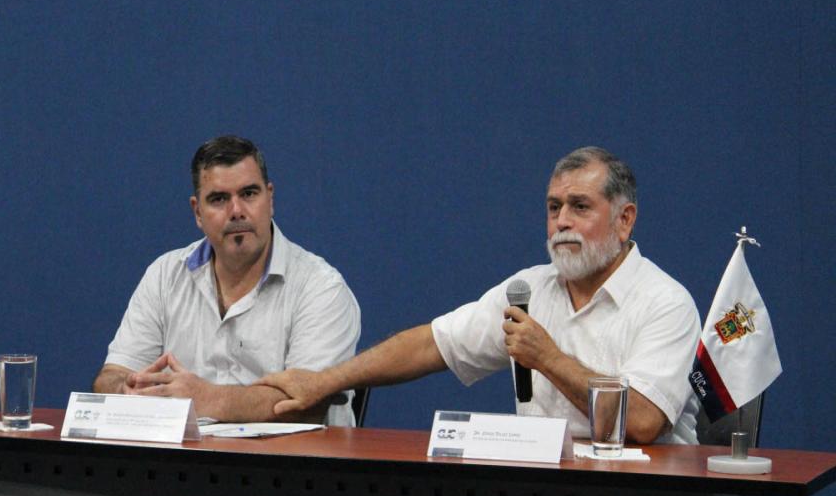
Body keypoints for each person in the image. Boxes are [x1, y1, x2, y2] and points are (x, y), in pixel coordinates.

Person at [259, 147, 700, 443]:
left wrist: (547, 357)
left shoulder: (664, 302)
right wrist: (326, 381)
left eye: (579, 207)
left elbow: (640, 420)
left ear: (625, 220)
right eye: (553, 207)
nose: (561, 221)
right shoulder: (529, 288)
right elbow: (431, 344)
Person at [94, 135, 361, 426]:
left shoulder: (321, 288)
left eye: (249, 194)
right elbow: (111, 376)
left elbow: (308, 402)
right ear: (197, 212)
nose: (236, 211)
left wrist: (205, 398)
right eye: (219, 199)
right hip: (182, 464)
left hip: (291, 466)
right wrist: (126, 390)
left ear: (270, 199)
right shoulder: (164, 275)